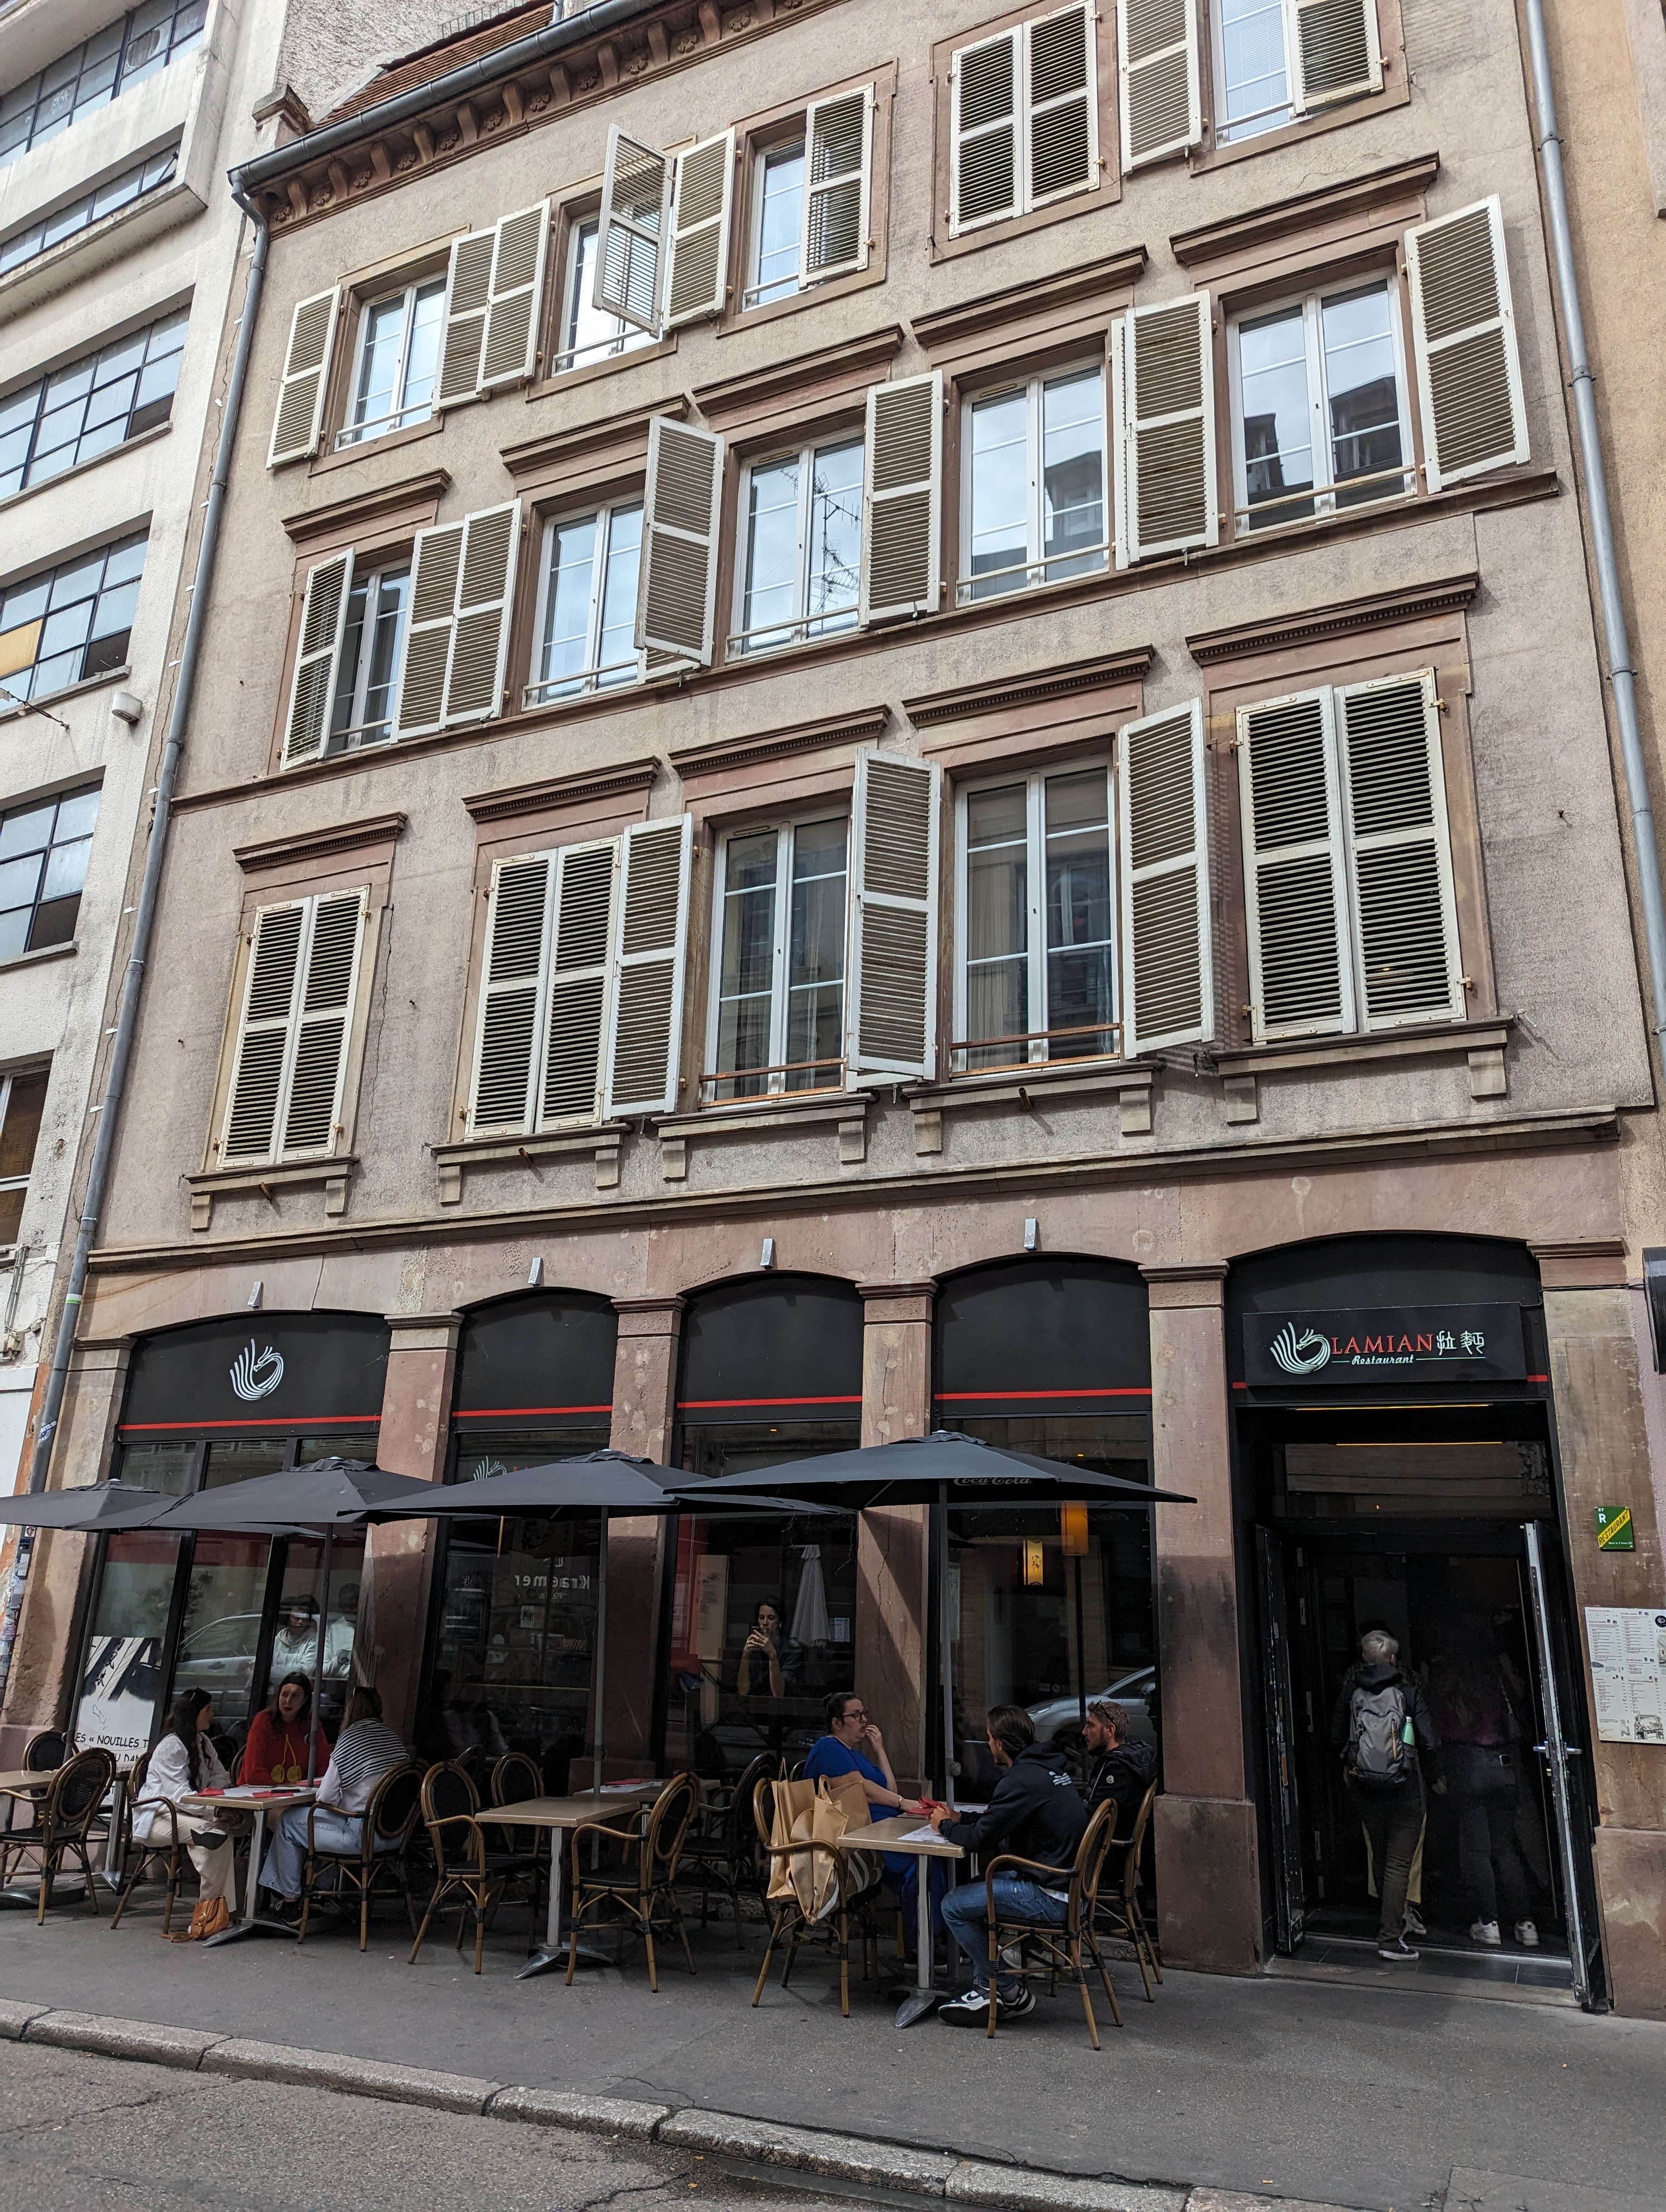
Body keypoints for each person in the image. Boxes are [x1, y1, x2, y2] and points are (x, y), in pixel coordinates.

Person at [929, 1703, 1087, 2025]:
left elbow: (980, 1840)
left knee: (953, 1905)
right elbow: (1000, 1821)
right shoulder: (1048, 1769)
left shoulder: (1019, 1780)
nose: (988, 1745)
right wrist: (962, 1818)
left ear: (1001, 1743)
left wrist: (943, 1826)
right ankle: (985, 1990)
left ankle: (1006, 1990)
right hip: (1070, 1887)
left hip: (1051, 1896)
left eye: (990, 1738)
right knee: (980, 1885)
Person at [1329, 1629, 1439, 1964]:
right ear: (1393, 1658)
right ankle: (1390, 1938)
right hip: (1405, 1786)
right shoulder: (1408, 1690)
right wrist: (1433, 1775)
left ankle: (1389, 1924)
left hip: (1364, 1786)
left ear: (1365, 1658)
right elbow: (1430, 1741)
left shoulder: (1352, 1690)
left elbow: (1336, 1736)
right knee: (1399, 1863)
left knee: (1379, 1854)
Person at [802, 1689, 942, 1941]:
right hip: (855, 1842)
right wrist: (905, 1804)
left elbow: (890, 1791)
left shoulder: (854, 1754)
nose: (864, 1720)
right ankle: (922, 1945)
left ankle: (932, 1940)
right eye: (856, 1715)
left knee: (933, 1863)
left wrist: (879, 1750)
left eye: (864, 1713)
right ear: (837, 1723)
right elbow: (862, 1790)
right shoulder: (828, 1747)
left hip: (880, 1831)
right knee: (923, 1866)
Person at [1426, 1643, 1537, 1949]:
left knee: (1477, 1851)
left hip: (1467, 1769)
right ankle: (1526, 1924)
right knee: (1505, 1848)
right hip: (1503, 1768)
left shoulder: (1447, 1691)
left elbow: (1434, 1734)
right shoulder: (1495, 1686)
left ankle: (1489, 1923)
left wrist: (1437, 1773)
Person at [260, 1685, 407, 1916]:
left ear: (350, 1710)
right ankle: (316, 1892)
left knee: (289, 1822)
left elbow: (326, 1797)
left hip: (360, 1837)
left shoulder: (351, 1739)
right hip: (393, 1837)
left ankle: (290, 1901)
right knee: (322, 1823)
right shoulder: (393, 1739)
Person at [134, 1689, 239, 1935]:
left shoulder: (203, 1742)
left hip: (188, 1814)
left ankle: (219, 1913)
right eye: (208, 1710)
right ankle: (209, 1917)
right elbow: (178, 1795)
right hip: (160, 1817)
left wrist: (213, 1797)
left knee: (218, 1837)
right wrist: (212, 1809)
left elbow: (222, 1777)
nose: (213, 1715)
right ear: (194, 1714)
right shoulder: (171, 1746)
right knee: (212, 1835)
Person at [242, 1674, 329, 1786]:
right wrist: (282, 1790)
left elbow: (324, 1766)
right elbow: (254, 1772)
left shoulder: (311, 1723)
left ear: (305, 1699)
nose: (288, 1701)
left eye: (295, 1696)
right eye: (284, 1695)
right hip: (258, 1790)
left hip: (298, 1792)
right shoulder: (263, 1721)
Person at [1081, 1700, 1156, 1830]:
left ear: (1110, 1730)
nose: (1084, 1732)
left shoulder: (1117, 1769)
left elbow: (1092, 1819)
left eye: (1090, 1725)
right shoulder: (1130, 1758)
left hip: (1109, 1841)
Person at [736, 1600, 786, 1698]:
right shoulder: (750, 1647)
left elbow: (779, 1694)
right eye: (761, 1618)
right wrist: (745, 1655)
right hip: (752, 1703)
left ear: (779, 1623)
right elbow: (742, 1691)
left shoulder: (789, 1650)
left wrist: (772, 1655)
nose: (765, 1623)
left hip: (781, 1705)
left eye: (771, 1618)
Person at [270, 1597, 322, 1681]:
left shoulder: (314, 1639)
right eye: (297, 1618)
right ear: (287, 1617)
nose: (301, 1622)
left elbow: (304, 1670)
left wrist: (271, 1672)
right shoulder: (280, 1637)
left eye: (305, 1618)